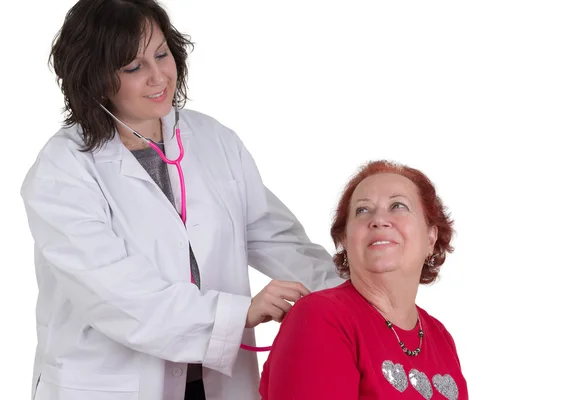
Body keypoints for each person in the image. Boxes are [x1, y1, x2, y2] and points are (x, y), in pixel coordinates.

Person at [20, 1, 342, 399]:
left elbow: (274, 237)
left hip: (214, 383)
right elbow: (117, 294)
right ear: (96, 76)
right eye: (134, 67)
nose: (159, 77)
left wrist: (348, 293)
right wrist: (237, 313)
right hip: (110, 384)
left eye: (161, 54)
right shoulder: (63, 171)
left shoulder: (213, 140)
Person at [259, 160, 468, 399]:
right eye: (362, 210)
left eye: (398, 205)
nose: (379, 219)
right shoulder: (321, 316)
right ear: (346, 241)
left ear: (431, 238)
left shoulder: (440, 336)